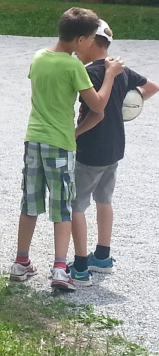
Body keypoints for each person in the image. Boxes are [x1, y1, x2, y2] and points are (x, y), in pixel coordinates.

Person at [9, 8, 125, 291]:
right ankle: (60, 269)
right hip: (60, 143)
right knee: (62, 207)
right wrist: (110, 74)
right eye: (91, 39)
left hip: (33, 139)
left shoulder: (39, 57)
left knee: (30, 203)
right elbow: (98, 105)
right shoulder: (74, 67)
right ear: (82, 40)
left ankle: (21, 262)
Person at [69, 19, 158, 286]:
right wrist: (131, 100)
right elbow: (152, 87)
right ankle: (102, 256)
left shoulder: (90, 73)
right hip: (114, 147)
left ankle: (80, 266)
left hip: (91, 147)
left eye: (80, 41)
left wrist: (75, 134)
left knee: (76, 205)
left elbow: (97, 111)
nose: (76, 48)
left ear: (91, 42)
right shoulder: (120, 69)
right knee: (104, 200)